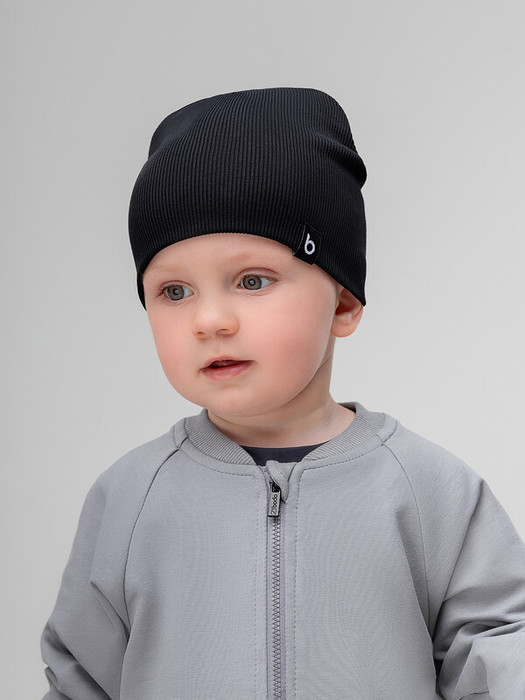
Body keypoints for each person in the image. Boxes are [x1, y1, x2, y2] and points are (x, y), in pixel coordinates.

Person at [41, 88, 525, 700]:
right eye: (174, 291)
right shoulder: (130, 498)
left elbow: (500, 654)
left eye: (252, 280)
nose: (209, 320)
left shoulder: (431, 490)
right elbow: (81, 680)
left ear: (342, 302)